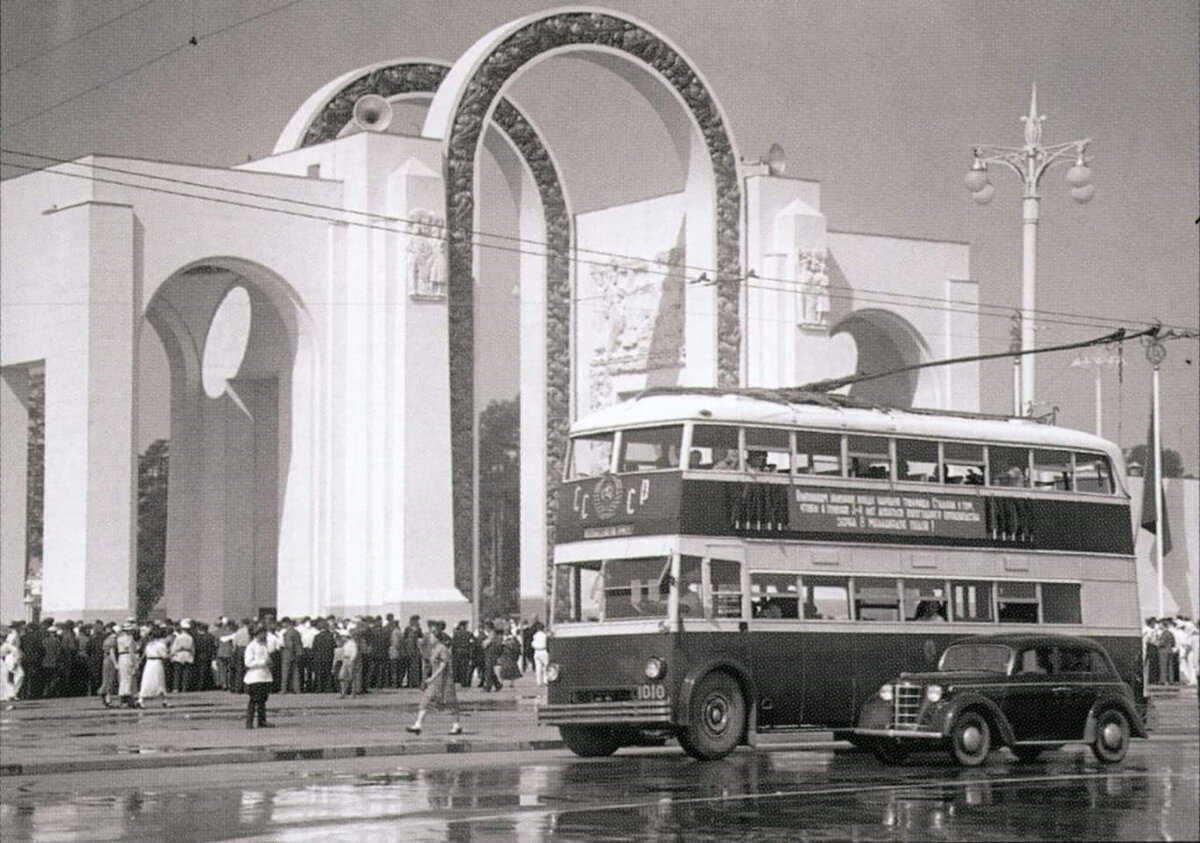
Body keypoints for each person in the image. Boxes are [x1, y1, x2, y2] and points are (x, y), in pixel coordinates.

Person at [406, 621, 462, 735]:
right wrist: (426, 678)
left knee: (450, 702)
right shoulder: (431, 649)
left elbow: (443, 665)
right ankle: (418, 725)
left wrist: (432, 678)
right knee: (425, 701)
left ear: (436, 637)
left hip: (445, 680)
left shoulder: (442, 648)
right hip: (435, 680)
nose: (429, 638)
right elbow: (428, 664)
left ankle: (456, 725)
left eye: (431, 636)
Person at [243, 624, 275, 728]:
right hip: (255, 677)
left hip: (265, 676)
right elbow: (248, 662)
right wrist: (263, 662)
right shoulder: (251, 646)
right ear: (257, 634)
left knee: (263, 700)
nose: (265, 635)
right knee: (254, 700)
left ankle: (262, 720)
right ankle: (249, 722)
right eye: (263, 633)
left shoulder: (265, 645)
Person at [137, 627, 170, 708]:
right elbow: (164, 656)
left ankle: (141, 699)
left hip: (149, 663)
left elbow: (144, 655)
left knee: (147, 680)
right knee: (159, 681)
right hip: (157, 663)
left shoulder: (149, 645)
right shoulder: (160, 645)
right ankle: (164, 700)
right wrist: (170, 653)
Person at [169, 620, 195, 693]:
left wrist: (172, 654)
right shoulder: (190, 638)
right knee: (185, 673)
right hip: (187, 655)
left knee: (177, 673)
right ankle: (184, 688)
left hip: (179, 655)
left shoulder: (179, 637)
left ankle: (176, 688)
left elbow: (174, 647)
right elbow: (193, 648)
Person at [531, 621, 549, 686]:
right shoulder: (545, 636)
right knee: (546, 666)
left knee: (538, 667)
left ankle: (538, 682)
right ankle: (546, 680)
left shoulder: (535, 635)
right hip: (543, 651)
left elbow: (532, 644)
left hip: (536, 652)